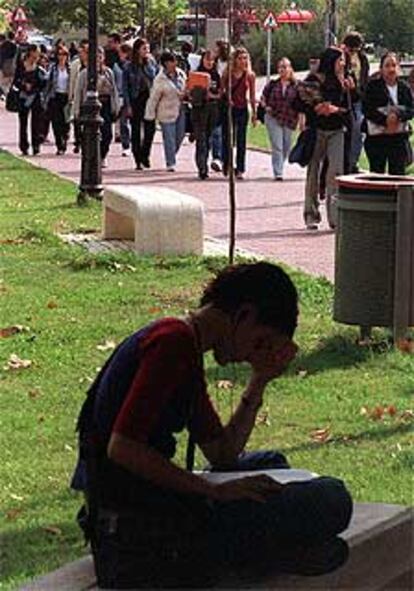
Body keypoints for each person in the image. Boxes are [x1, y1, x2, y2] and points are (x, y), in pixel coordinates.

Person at [71, 261, 353, 589]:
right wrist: (212, 490)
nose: (251, 354)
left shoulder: (185, 349)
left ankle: (270, 551)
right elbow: (123, 447)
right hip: (139, 526)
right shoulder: (172, 341)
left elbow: (223, 455)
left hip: (149, 506)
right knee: (332, 498)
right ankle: (267, 553)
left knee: (270, 464)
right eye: (260, 341)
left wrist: (259, 381)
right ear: (244, 316)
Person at [297, 47, 355, 230]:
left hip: (337, 130)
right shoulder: (314, 79)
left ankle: (335, 216)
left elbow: (351, 109)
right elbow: (298, 102)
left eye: (344, 61)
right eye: (340, 60)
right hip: (317, 129)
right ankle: (311, 214)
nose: (343, 64)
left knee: (335, 173)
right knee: (313, 171)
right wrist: (315, 108)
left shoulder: (345, 81)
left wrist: (339, 105)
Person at [362, 52, 414, 175]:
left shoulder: (404, 88)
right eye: (387, 65)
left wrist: (397, 116)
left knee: (398, 175)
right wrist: (386, 120)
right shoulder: (372, 87)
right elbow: (367, 109)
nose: (391, 69)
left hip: (398, 138)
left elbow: (411, 110)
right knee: (377, 175)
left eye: (394, 65)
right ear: (381, 69)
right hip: (377, 138)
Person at [74, 47, 120, 168]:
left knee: (107, 134)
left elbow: (114, 90)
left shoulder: (108, 72)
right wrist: (77, 110)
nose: (98, 60)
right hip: (89, 105)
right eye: (96, 57)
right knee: (89, 134)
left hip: (105, 105)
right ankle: (91, 157)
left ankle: (102, 156)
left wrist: (116, 107)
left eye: (100, 57)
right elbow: (79, 91)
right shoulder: (85, 74)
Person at [260, 57, 302, 181]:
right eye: (280, 67)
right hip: (273, 117)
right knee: (277, 145)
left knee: (287, 146)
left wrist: (302, 120)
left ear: (290, 69)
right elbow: (263, 97)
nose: (282, 70)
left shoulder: (297, 86)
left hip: (289, 119)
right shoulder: (273, 84)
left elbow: (301, 104)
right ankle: (278, 172)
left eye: (285, 67)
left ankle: (279, 164)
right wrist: (266, 106)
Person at [145, 50, 187, 172]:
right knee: (169, 137)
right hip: (166, 112)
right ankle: (170, 162)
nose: (174, 63)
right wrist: (150, 114)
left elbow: (187, 86)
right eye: (171, 61)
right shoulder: (160, 80)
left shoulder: (181, 74)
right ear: (165, 63)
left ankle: (172, 153)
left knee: (180, 135)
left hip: (180, 109)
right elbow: (153, 98)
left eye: (175, 61)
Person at [221, 47, 257, 180]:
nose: (243, 61)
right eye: (240, 58)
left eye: (245, 58)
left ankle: (240, 168)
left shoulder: (250, 75)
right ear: (235, 60)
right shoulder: (228, 74)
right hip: (230, 109)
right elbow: (222, 90)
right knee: (228, 138)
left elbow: (252, 95)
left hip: (242, 109)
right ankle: (227, 164)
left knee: (241, 140)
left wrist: (254, 113)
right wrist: (227, 98)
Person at [123, 38, 158, 169]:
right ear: (137, 50)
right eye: (144, 49)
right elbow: (125, 87)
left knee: (150, 129)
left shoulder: (150, 63)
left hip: (149, 99)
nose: (147, 51)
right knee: (136, 130)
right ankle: (137, 158)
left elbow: (153, 77)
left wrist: (147, 62)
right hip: (135, 99)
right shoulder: (128, 66)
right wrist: (128, 105)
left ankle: (145, 154)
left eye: (148, 49)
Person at [190, 49, 222, 180]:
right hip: (199, 109)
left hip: (212, 109)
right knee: (201, 139)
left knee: (208, 138)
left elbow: (220, 93)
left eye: (212, 60)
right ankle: (202, 167)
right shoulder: (196, 74)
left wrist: (213, 95)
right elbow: (190, 92)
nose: (209, 62)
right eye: (207, 60)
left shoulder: (216, 76)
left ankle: (206, 162)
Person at [342, 32, 370, 173]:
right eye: (351, 49)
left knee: (359, 129)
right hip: (344, 99)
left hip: (358, 99)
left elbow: (364, 79)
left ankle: (353, 162)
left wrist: (360, 90)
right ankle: (345, 161)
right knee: (347, 131)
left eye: (356, 49)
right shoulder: (341, 58)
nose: (353, 52)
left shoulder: (363, 59)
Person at [12, 44, 47, 156]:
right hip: (23, 97)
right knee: (23, 123)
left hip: (35, 97)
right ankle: (24, 146)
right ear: (31, 52)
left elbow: (43, 83)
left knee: (36, 123)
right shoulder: (21, 65)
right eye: (37, 52)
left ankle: (36, 146)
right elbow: (15, 80)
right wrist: (23, 85)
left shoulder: (39, 66)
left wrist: (35, 86)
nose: (38, 54)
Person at [45, 45, 70, 155]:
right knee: (56, 122)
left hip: (66, 97)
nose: (61, 57)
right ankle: (59, 145)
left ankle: (65, 138)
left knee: (66, 122)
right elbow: (48, 83)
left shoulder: (70, 69)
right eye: (59, 54)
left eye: (64, 54)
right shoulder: (53, 68)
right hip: (55, 96)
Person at [68, 39, 88, 154]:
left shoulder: (92, 64)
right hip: (77, 96)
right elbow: (72, 80)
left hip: (88, 97)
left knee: (86, 122)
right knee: (76, 120)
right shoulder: (75, 64)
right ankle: (78, 141)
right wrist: (70, 95)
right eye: (82, 51)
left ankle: (84, 142)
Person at [113, 43, 132, 156]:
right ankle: (126, 145)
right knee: (122, 122)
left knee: (129, 122)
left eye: (121, 52)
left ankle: (132, 143)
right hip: (118, 95)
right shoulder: (117, 65)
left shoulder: (131, 66)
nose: (119, 54)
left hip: (128, 96)